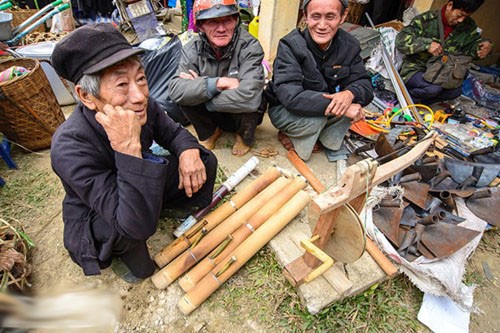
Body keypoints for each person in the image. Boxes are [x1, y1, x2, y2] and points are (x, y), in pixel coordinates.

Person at [50, 23, 217, 283]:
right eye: (121, 84)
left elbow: (173, 133)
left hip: (137, 183)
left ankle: (168, 206)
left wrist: (187, 151)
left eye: (140, 78)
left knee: (203, 159)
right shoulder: (69, 146)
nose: (139, 96)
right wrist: (126, 148)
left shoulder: (143, 104)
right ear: (86, 96)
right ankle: (128, 261)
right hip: (102, 211)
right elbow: (131, 221)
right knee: (129, 233)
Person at [266, 0, 373, 161]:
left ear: (343, 16)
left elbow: (364, 85)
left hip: (322, 105)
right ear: (306, 16)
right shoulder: (290, 46)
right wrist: (342, 107)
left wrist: (350, 94)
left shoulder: (350, 45)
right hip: (285, 109)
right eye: (316, 16)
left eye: (330, 17)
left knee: (353, 106)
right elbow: (291, 97)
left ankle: (321, 139)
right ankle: (291, 133)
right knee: (318, 119)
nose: (322, 25)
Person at [168, 0, 265, 156]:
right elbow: (175, 90)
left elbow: (249, 97)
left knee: (258, 98)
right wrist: (218, 83)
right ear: (201, 26)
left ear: (235, 21)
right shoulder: (192, 49)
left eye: (227, 20)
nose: (221, 29)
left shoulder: (249, 46)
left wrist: (201, 88)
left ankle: (243, 136)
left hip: (242, 110)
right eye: (212, 21)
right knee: (184, 98)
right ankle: (211, 131)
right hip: (225, 105)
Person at [396, 0, 493, 105]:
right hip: (416, 69)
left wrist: (483, 48)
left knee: (455, 91)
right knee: (433, 89)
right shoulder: (427, 20)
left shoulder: (468, 27)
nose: (461, 20)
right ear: (450, 5)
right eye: (459, 15)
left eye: (465, 17)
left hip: (443, 72)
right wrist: (426, 45)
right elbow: (401, 41)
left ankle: (421, 103)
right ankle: (404, 100)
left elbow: (470, 50)